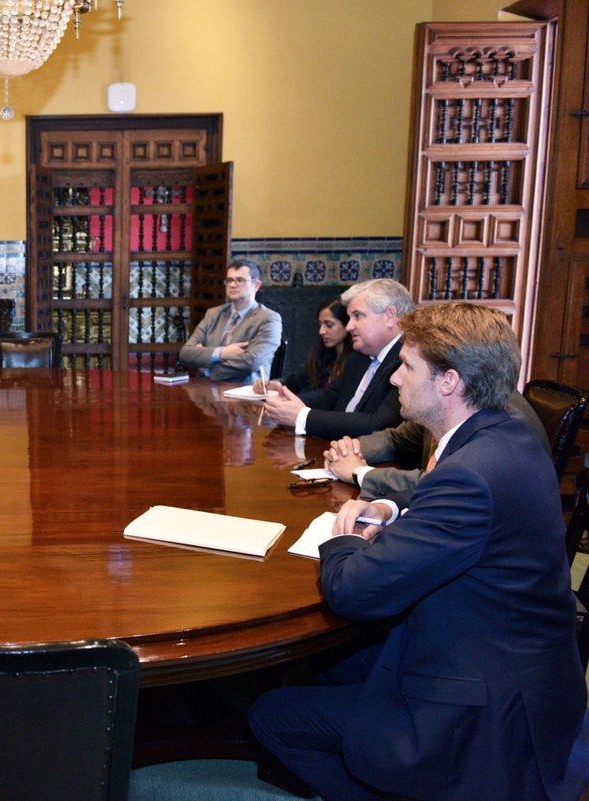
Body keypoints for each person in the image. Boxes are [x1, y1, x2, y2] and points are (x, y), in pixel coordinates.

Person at [249, 303, 585, 801]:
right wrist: (388, 507)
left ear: (448, 382)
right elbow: (444, 498)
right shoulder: (503, 434)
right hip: (513, 660)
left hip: (482, 706)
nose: (394, 379)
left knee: (270, 715)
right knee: (327, 662)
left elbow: (353, 592)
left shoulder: (470, 475)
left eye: (407, 366)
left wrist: (342, 538)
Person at [324, 389, 550, 498]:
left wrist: (359, 472)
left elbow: (443, 486)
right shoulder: (449, 403)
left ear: (448, 377)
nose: (396, 378)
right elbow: (397, 438)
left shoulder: (499, 424)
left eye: (409, 366)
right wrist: (349, 450)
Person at [263, 278, 411, 439]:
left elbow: (377, 425)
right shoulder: (359, 357)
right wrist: (284, 403)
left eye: (358, 316)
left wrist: (302, 416)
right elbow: (330, 397)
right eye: (349, 318)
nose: (349, 326)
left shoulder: (408, 361)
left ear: (389, 316)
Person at [177, 259, 282, 384]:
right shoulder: (213, 314)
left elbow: (250, 362)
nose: (232, 285)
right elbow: (185, 354)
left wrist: (206, 366)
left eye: (240, 280)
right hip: (206, 390)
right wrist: (222, 353)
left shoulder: (268, 319)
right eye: (229, 280)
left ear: (256, 285)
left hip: (244, 392)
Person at [277, 298, 350, 394]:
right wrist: (276, 383)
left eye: (329, 325)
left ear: (347, 324)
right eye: (320, 325)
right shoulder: (323, 354)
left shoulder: (354, 360)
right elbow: (299, 379)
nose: (321, 331)